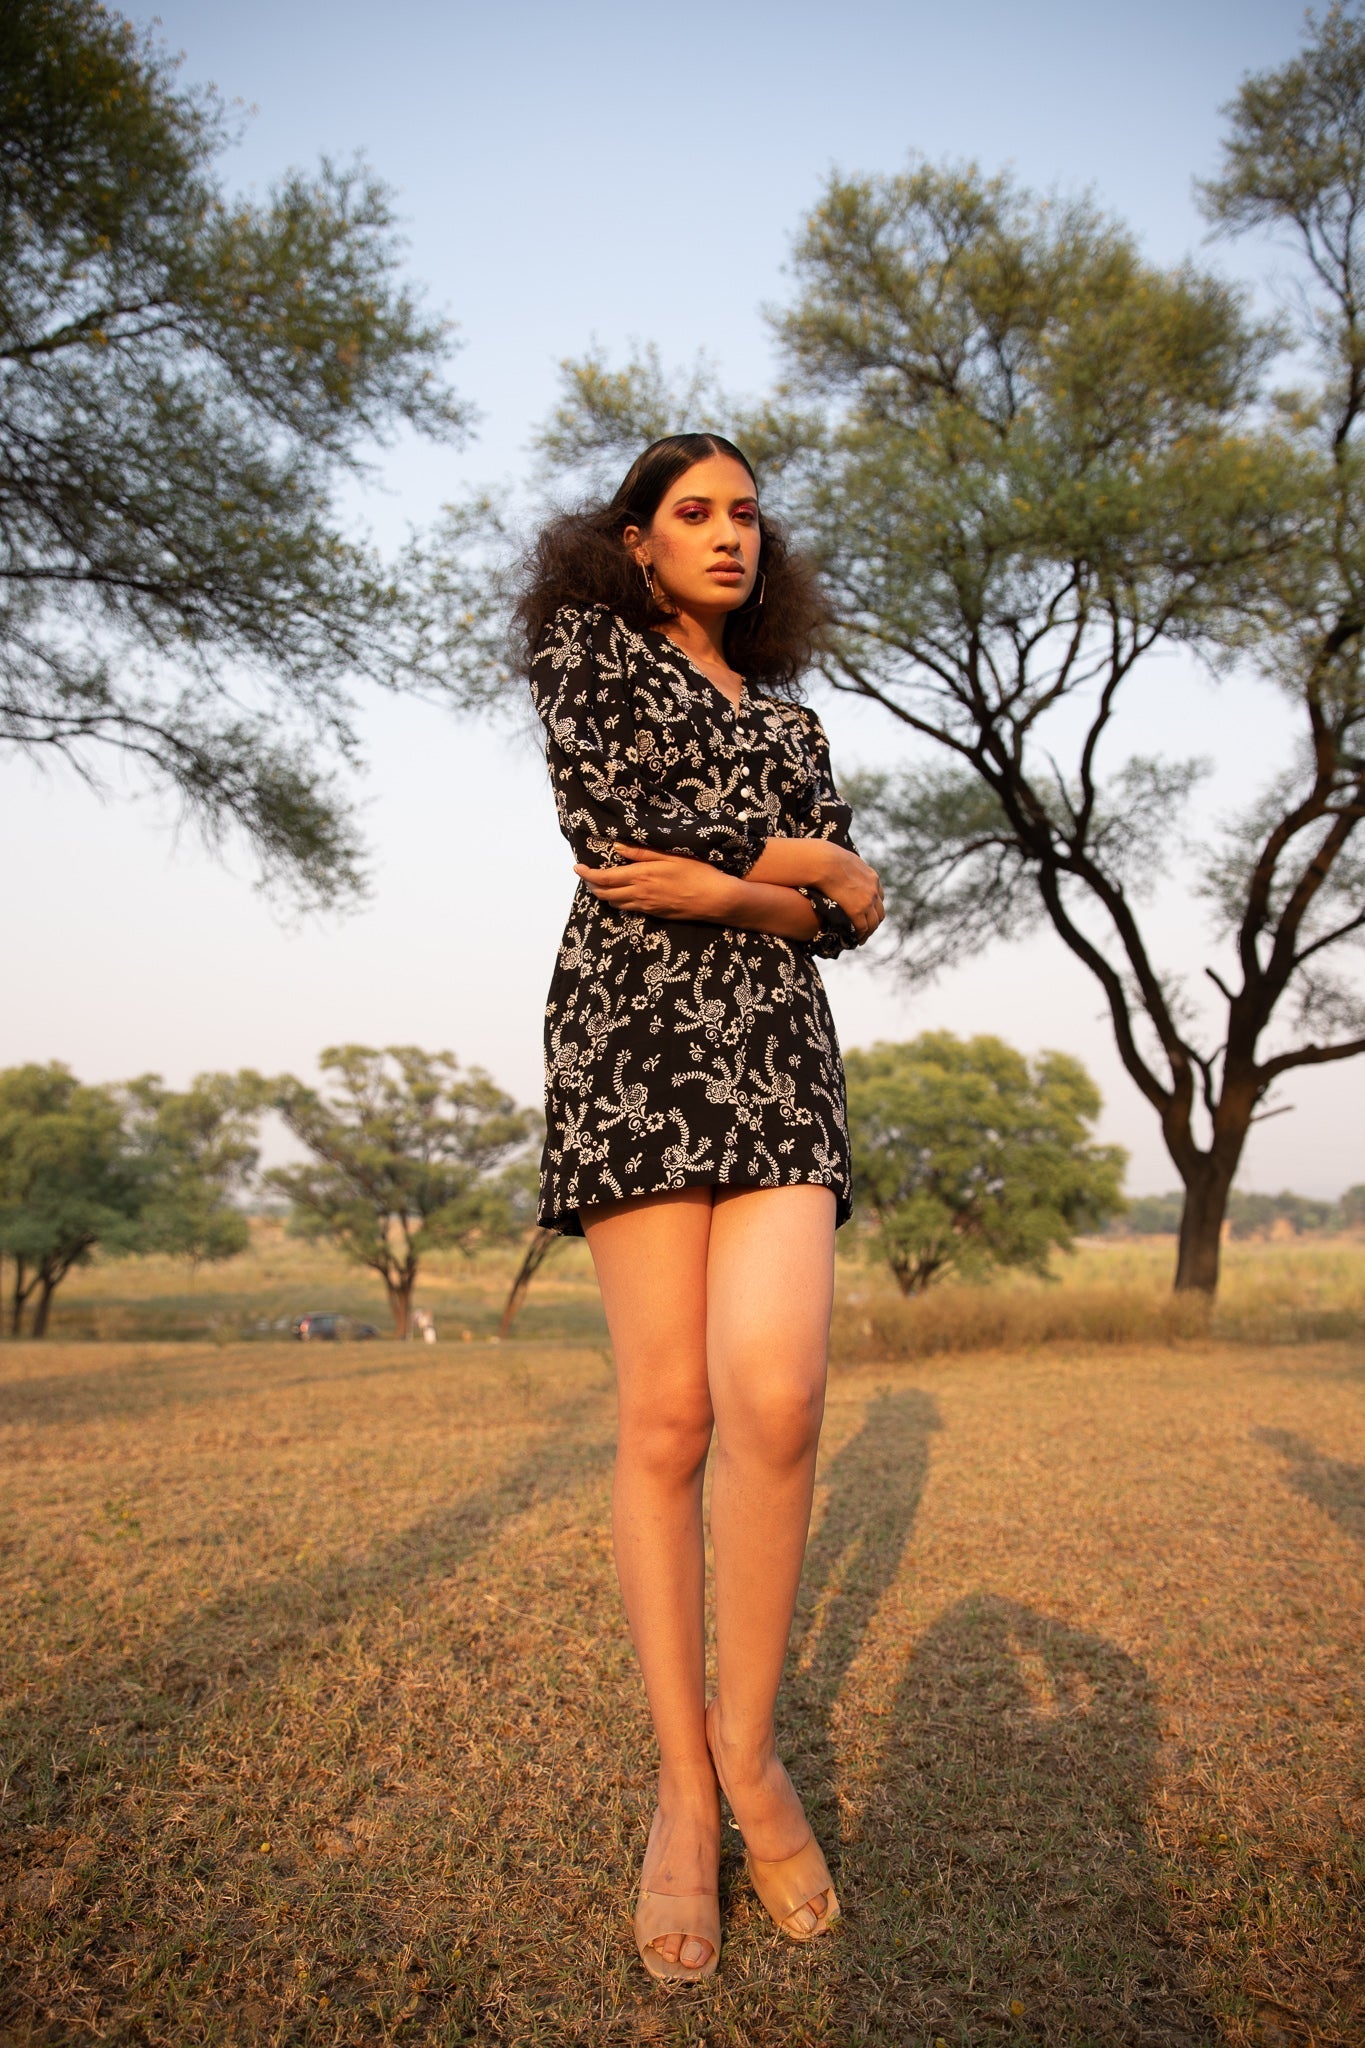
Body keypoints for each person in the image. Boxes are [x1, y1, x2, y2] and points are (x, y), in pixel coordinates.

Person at [519, 433, 884, 1982]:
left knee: (779, 1400)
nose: (729, 534)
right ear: (636, 539)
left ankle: (751, 1753)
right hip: (634, 1043)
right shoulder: (584, 652)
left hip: (777, 1053)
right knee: (669, 1417)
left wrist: (741, 892)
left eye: (745, 514)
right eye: (693, 513)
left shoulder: (794, 721)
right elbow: (615, 827)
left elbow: (847, 917)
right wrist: (809, 879)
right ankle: (685, 1787)